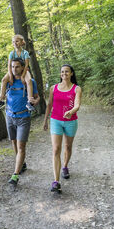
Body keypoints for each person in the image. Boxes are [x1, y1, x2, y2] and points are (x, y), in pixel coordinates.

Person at [43, 64, 82, 193]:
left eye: (66, 72)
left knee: (68, 147)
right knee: (56, 149)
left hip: (71, 122)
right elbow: (49, 105)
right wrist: (45, 121)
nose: (64, 74)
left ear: (71, 73)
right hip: (56, 120)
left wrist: (71, 111)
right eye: (62, 72)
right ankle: (56, 181)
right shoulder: (54, 88)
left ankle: (65, 166)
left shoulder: (76, 89)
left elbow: (77, 105)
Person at [6, 58, 40, 187]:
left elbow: (37, 97)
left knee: (21, 146)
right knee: (14, 142)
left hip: (23, 117)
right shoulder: (9, 81)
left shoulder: (29, 81)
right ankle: (22, 163)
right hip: (9, 116)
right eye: (13, 67)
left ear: (23, 68)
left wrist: (35, 101)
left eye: (17, 67)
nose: (15, 69)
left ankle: (15, 175)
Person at [0, 34, 35, 111]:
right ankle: (1, 99)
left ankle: (30, 101)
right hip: (13, 70)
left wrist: (23, 76)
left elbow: (26, 65)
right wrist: (10, 76)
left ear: (21, 42)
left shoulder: (25, 53)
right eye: (13, 42)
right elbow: (9, 65)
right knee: (4, 80)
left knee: (29, 80)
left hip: (24, 70)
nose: (15, 43)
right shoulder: (12, 53)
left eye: (17, 41)